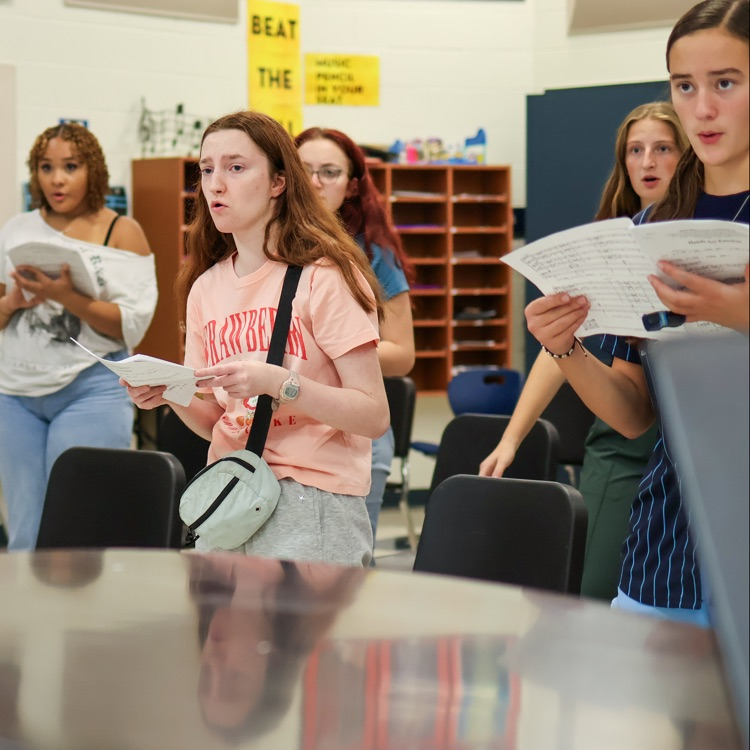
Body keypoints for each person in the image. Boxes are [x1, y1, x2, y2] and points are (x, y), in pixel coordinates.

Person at [523, 0, 748, 626]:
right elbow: (633, 414)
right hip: (668, 541)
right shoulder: (652, 228)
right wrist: (566, 347)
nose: (701, 108)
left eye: (725, 83)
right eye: (685, 85)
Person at [124, 110, 390, 567]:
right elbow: (219, 421)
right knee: (225, 640)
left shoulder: (324, 278)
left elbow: (373, 415)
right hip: (230, 496)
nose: (215, 185)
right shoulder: (205, 287)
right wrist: (170, 392)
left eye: (236, 167)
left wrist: (280, 384)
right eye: (206, 170)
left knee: (301, 642)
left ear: (278, 183)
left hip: (313, 500)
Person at [479, 102, 689, 601]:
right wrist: (511, 439)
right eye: (635, 151)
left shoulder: (700, 235)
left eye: (662, 148)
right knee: (597, 584)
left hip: (690, 440)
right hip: (625, 441)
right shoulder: (612, 238)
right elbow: (559, 350)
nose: (647, 162)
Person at [0, 123, 157, 552]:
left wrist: (65, 295)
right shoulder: (17, 228)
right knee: (25, 534)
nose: (57, 179)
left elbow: (131, 325)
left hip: (91, 390)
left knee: (78, 533)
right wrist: (14, 302)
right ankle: (27, 621)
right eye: (46, 167)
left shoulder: (122, 231)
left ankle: (78, 620)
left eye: (70, 166)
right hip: (14, 396)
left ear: (93, 171)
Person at [295, 127, 416, 546]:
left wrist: (332, 346)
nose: (314, 182)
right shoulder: (265, 246)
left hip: (355, 434)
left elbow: (402, 354)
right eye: (304, 169)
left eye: (329, 172)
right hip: (286, 431)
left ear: (350, 186)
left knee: (345, 580)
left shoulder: (372, 253)